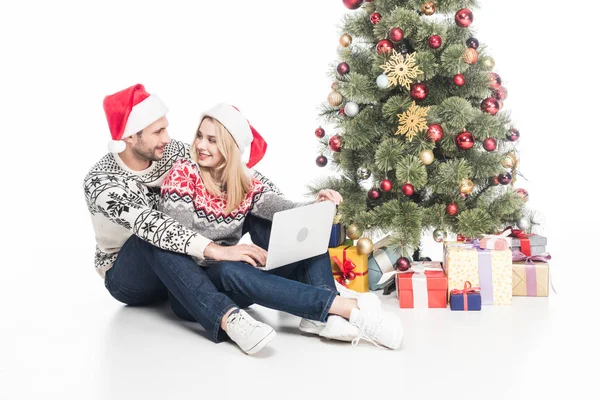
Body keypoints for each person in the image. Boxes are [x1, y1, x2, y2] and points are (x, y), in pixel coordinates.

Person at [158, 103, 404, 350]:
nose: (201, 145)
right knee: (228, 270)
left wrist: (317, 203)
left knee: (306, 230)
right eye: (200, 136)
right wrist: (226, 255)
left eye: (212, 140)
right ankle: (345, 308)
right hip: (193, 293)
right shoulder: (183, 174)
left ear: (230, 147)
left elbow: (284, 208)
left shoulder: (245, 183)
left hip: (236, 288)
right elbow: (179, 241)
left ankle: (322, 317)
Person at [84, 83, 295, 355]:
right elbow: (151, 224)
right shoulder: (101, 180)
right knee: (152, 236)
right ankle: (229, 319)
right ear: (130, 137)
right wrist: (220, 251)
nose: (167, 138)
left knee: (252, 205)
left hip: (186, 265)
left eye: (166, 128)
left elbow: (236, 175)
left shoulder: (172, 153)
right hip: (129, 276)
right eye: (158, 131)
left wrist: (291, 208)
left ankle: (302, 282)